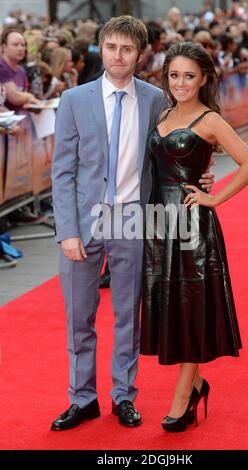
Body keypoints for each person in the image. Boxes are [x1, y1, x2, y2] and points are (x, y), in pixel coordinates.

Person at [51, 17, 214, 431]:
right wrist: (67, 230)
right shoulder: (73, 99)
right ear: (101, 49)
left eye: (127, 49)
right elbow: (63, 171)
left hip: (134, 219)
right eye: (111, 48)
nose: (118, 56)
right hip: (85, 221)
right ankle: (82, 398)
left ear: (140, 54)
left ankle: (123, 395)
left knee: (129, 316)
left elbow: (179, 147)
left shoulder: (157, 99)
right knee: (78, 318)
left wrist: (200, 176)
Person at [140, 42, 248, 432]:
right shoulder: (163, 113)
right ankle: (195, 384)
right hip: (159, 224)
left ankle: (182, 396)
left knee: (190, 305)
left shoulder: (209, 120)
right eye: (174, 75)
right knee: (171, 304)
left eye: (189, 76)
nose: (180, 82)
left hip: (193, 227)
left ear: (204, 78)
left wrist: (213, 197)